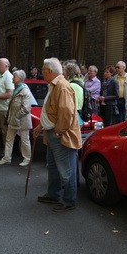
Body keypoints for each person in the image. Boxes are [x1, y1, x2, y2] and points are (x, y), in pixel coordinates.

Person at [33, 57, 82, 212]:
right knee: (53, 167)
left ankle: (69, 201)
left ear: (49, 71)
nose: (41, 73)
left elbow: (66, 114)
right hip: (52, 134)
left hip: (60, 135)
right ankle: (53, 194)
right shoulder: (54, 85)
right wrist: (41, 126)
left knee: (66, 171)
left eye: (42, 70)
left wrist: (58, 132)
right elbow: (51, 112)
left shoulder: (62, 86)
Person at [0, 70, 34, 167]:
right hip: (13, 119)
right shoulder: (16, 89)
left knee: (25, 140)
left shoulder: (25, 91)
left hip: (22, 120)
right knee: (9, 139)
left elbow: (26, 108)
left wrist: (16, 116)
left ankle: (27, 158)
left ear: (20, 79)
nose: (13, 78)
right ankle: (7, 158)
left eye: (14, 77)